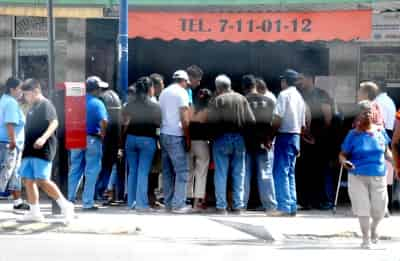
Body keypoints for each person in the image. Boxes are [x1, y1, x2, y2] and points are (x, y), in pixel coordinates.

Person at [18, 79, 74, 222]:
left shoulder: (46, 104)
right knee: (27, 180)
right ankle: (34, 212)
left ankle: (66, 206)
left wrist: (43, 138)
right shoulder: (32, 107)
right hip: (29, 149)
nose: (25, 97)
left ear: (36, 91)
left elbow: (54, 122)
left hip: (43, 149)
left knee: (42, 180)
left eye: (27, 94)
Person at [339, 100, 391, 249]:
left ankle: (374, 229)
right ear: (358, 115)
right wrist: (344, 162)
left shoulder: (380, 131)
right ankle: (366, 239)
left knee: (380, 209)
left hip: (379, 175)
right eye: (364, 112)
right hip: (357, 175)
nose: (367, 115)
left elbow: (387, 152)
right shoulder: (352, 135)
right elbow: (342, 154)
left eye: (369, 112)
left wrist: (396, 163)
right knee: (363, 209)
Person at [207, 75, 255, 215]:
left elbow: (211, 121)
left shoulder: (218, 100)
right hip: (239, 139)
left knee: (221, 173)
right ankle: (238, 206)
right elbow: (251, 121)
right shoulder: (242, 98)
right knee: (239, 173)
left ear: (218, 87)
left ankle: (221, 207)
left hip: (221, 139)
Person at [296, 71, 335, 210]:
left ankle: (321, 201)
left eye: (301, 79)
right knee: (305, 171)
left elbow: (328, 115)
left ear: (310, 79)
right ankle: (306, 201)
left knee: (319, 171)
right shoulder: (299, 94)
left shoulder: (321, 94)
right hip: (304, 139)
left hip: (319, 140)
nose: (299, 82)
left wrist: (320, 133)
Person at [68, 76, 108, 210]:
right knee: (91, 170)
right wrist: (102, 135)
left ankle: (69, 200)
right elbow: (103, 121)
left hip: (75, 136)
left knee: (74, 169)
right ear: (96, 89)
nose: (101, 91)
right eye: (100, 88)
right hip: (92, 138)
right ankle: (87, 202)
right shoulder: (98, 103)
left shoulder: (75, 101)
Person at [121, 77, 161, 212]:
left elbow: (125, 123)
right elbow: (158, 123)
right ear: (150, 89)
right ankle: (142, 204)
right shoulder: (155, 106)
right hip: (147, 140)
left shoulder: (130, 105)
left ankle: (131, 202)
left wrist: (122, 141)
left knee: (132, 171)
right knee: (143, 172)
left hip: (131, 139)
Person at [270, 69, 306, 217]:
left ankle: (283, 207)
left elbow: (278, 118)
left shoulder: (284, 95)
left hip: (284, 136)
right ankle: (291, 206)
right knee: (290, 172)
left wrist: (270, 136)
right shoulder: (299, 97)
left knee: (280, 172)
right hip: (296, 136)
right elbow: (303, 124)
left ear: (285, 81)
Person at [241, 74, 277, 212]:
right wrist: (270, 139)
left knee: (244, 175)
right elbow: (276, 123)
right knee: (266, 176)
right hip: (264, 144)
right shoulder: (269, 101)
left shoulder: (243, 101)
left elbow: (239, 123)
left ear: (244, 88)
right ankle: (271, 207)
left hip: (246, 144)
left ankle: (241, 206)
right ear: (255, 85)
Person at [159, 70, 191, 213]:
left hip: (164, 134)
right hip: (176, 135)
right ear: (183, 81)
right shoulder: (182, 93)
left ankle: (168, 203)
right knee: (182, 171)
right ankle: (178, 205)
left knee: (167, 172)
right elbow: (184, 118)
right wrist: (188, 137)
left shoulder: (164, 92)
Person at [0, 77, 30, 211]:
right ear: (12, 89)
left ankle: (17, 201)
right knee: (6, 172)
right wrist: (12, 141)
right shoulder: (11, 103)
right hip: (10, 143)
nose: (22, 92)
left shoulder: (4, 100)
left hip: (12, 143)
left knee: (14, 173)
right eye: (20, 89)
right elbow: (10, 123)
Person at [96, 82, 122, 202]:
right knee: (108, 166)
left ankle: (97, 191)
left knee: (99, 166)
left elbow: (102, 120)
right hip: (115, 137)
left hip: (104, 137)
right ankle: (103, 190)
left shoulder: (101, 99)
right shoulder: (116, 97)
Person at [187, 88, 212, 211]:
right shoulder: (208, 111)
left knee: (189, 172)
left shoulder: (191, 109)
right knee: (201, 173)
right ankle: (197, 203)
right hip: (202, 143)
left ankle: (187, 200)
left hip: (189, 142)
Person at [373, 81, 396, 213]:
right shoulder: (389, 101)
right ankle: (387, 205)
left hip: (380, 134)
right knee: (388, 173)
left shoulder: (378, 102)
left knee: (380, 172)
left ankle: (381, 206)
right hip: (389, 133)